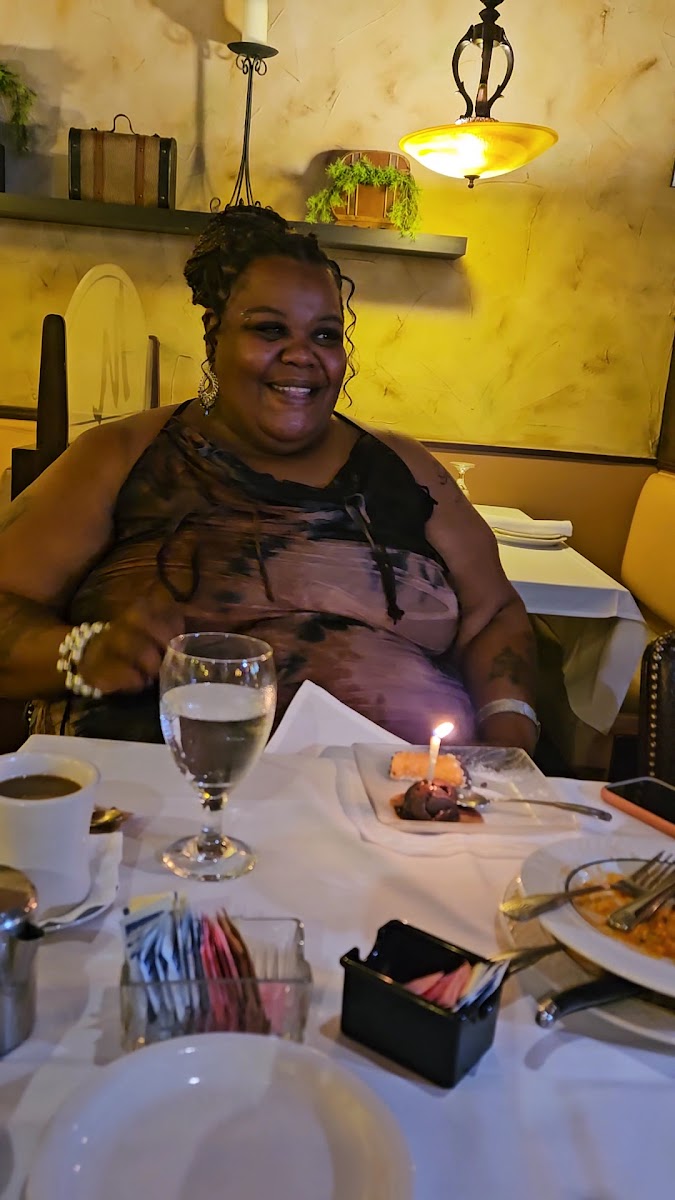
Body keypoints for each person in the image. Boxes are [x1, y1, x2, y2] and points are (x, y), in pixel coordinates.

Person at [0, 205, 538, 751]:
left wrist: (507, 745)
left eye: (325, 335)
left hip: (399, 794)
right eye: (270, 329)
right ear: (214, 336)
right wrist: (84, 651)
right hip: (161, 788)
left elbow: (494, 612)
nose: (302, 355)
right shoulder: (121, 454)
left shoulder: (407, 468)